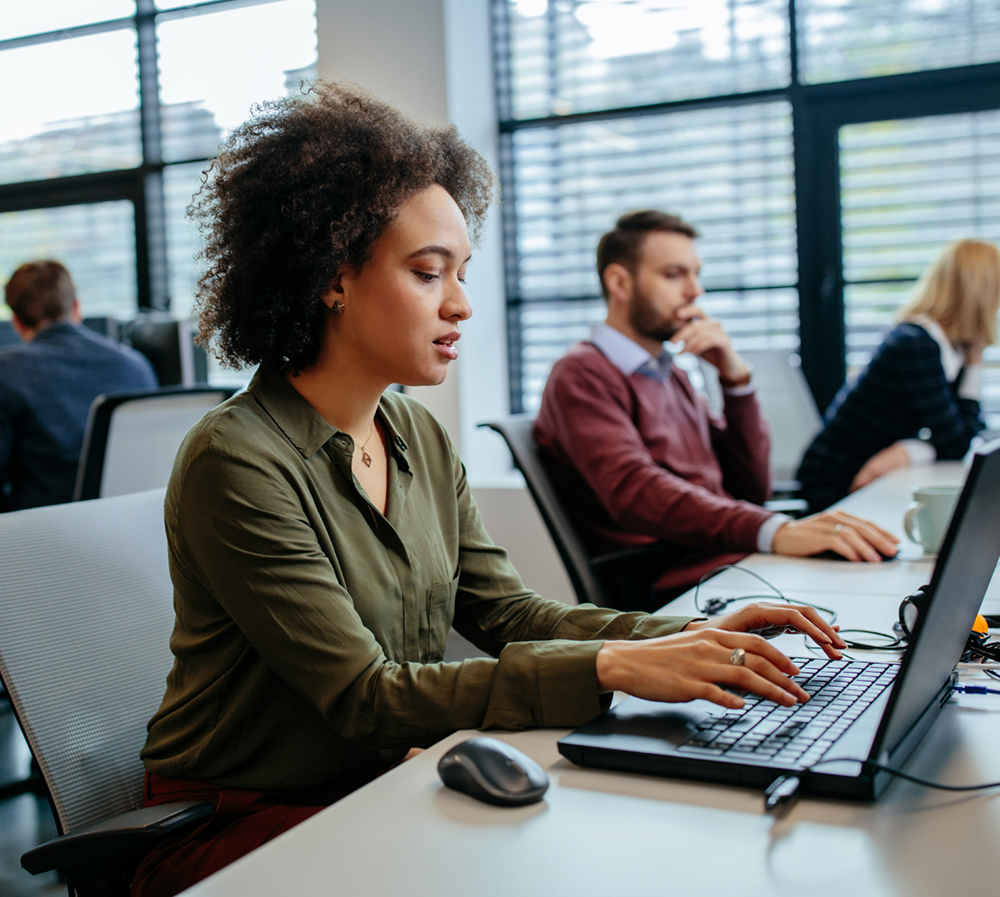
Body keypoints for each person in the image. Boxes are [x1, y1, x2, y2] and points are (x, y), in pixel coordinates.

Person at [131, 84, 847, 897]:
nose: (461, 304)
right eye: (428, 272)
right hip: (235, 824)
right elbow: (365, 697)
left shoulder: (418, 436)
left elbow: (508, 615)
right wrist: (615, 666)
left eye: (462, 273)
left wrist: (675, 639)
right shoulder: (238, 458)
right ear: (332, 277)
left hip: (372, 784)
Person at [533, 210, 898, 602]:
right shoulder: (582, 373)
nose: (695, 292)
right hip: (679, 582)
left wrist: (736, 381)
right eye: (674, 274)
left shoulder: (670, 375)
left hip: (728, 563)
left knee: (880, 572)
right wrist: (775, 531)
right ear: (619, 282)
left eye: (695, 273)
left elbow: (751, 488)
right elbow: (636, 492)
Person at [796, 238, 1000, 512]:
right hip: (837, 480)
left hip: (876, 475)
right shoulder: (915, 343)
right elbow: (956, 443)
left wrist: (908, 450)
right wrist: (911, 450)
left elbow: (968, 431)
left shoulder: (949, 348)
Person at [0, 260, 158, 511]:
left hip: (37, 534)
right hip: (128, 524)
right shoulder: (136, 365)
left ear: (17, 321)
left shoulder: (6, 372)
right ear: (76, 308)